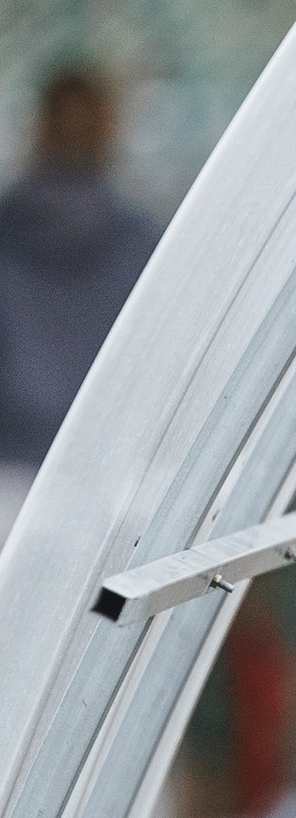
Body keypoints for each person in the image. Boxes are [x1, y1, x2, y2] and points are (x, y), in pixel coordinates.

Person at [0, 66, 158, 548]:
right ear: (110, 132)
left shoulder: (6, 231)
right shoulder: (143, 246)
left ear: (38, 129)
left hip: (9, 474)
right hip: (106, 482)